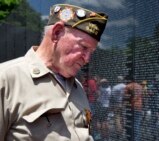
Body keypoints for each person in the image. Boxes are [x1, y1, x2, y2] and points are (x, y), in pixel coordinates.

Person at [0, 3, 108, 141]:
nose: (87, 59)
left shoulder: (77, 87)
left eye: (91, 52)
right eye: (84, 47)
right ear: (56, 33)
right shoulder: (6, 79)